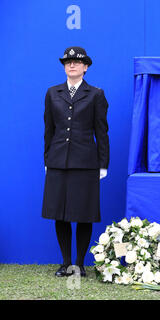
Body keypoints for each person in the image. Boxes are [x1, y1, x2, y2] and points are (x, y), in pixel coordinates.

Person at [42, 46, 110, 277]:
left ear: (85, 67)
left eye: (76, 62)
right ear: (64, 66)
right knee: (59, 213)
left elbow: (102, 132)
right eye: (67, 61)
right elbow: (48, 130)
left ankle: (79, 264)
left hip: (85, 162)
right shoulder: (53, 93)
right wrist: (47, 158)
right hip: (58, 160)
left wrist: (103, 164)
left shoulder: (96, 94)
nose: (71, 64)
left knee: (83, 213)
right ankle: (65, 262)